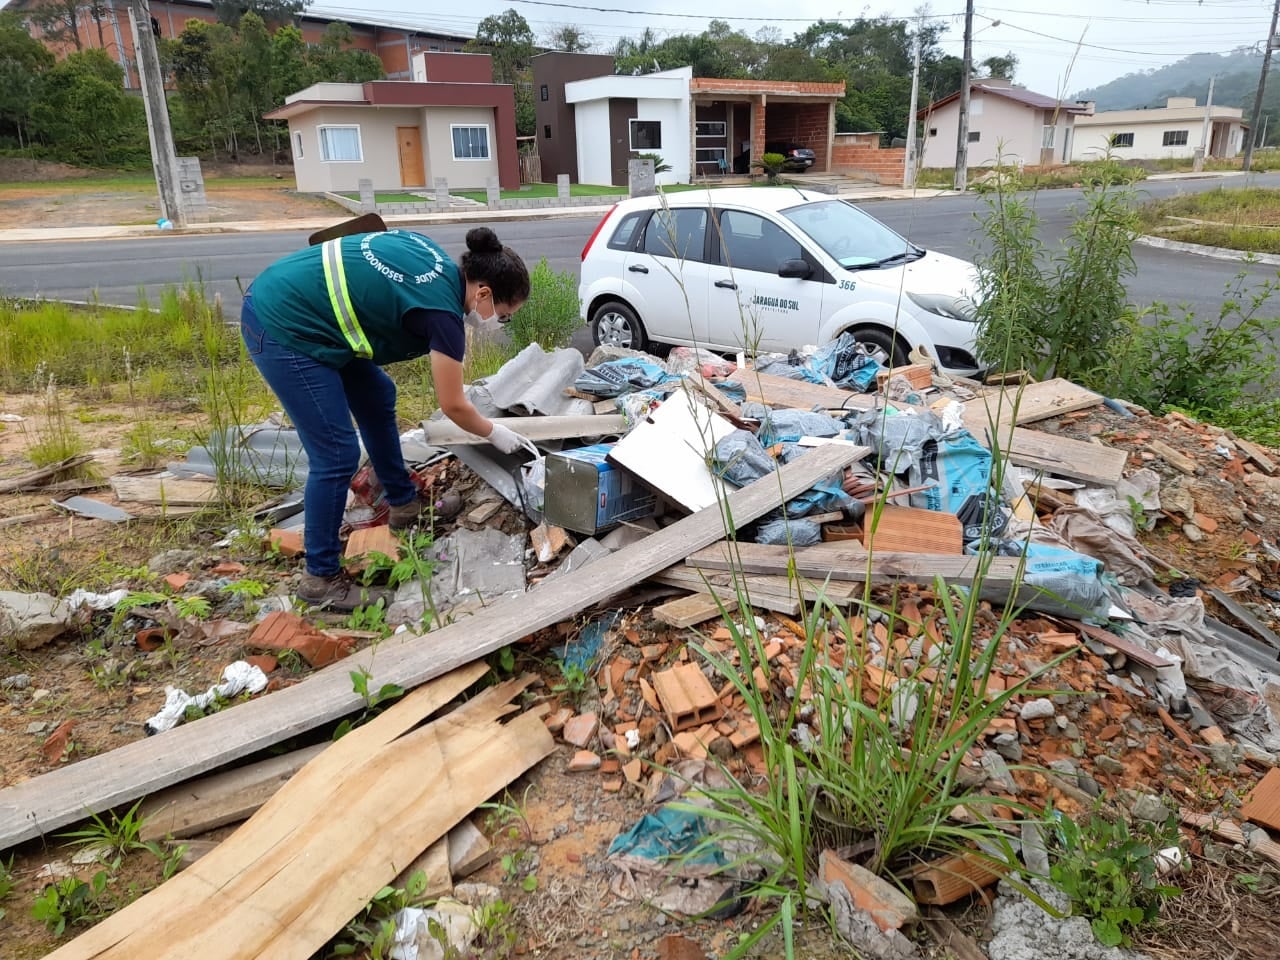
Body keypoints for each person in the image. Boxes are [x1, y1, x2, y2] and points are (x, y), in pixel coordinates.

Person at [241, 226, 536, 611]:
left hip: (305, 307)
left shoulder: (433, 257)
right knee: (336, 454)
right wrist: (496, 432)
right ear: (483, 293)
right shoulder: (442, 315)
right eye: (504, 315)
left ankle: (403, 504)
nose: (500, 322)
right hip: (283, 324)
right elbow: (454, 405)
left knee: (379, 394)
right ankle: (320, 579)